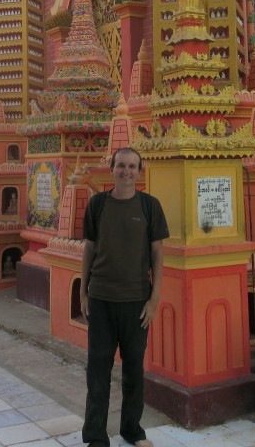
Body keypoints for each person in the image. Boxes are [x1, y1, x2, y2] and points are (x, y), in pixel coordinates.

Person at [80, 147, 169, 447]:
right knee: (98, 370)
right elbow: (89, 249)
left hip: (136, 302)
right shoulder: (97, 205)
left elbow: (157, 253)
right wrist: (83, 291)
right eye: (121, 165)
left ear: (140, 171)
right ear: (111, 168)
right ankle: (95, 436)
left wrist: (155, 298)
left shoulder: (149, 206)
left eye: (132, 166)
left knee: (134, 369)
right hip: (101, 299)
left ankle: (132, 430)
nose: (126, 171)